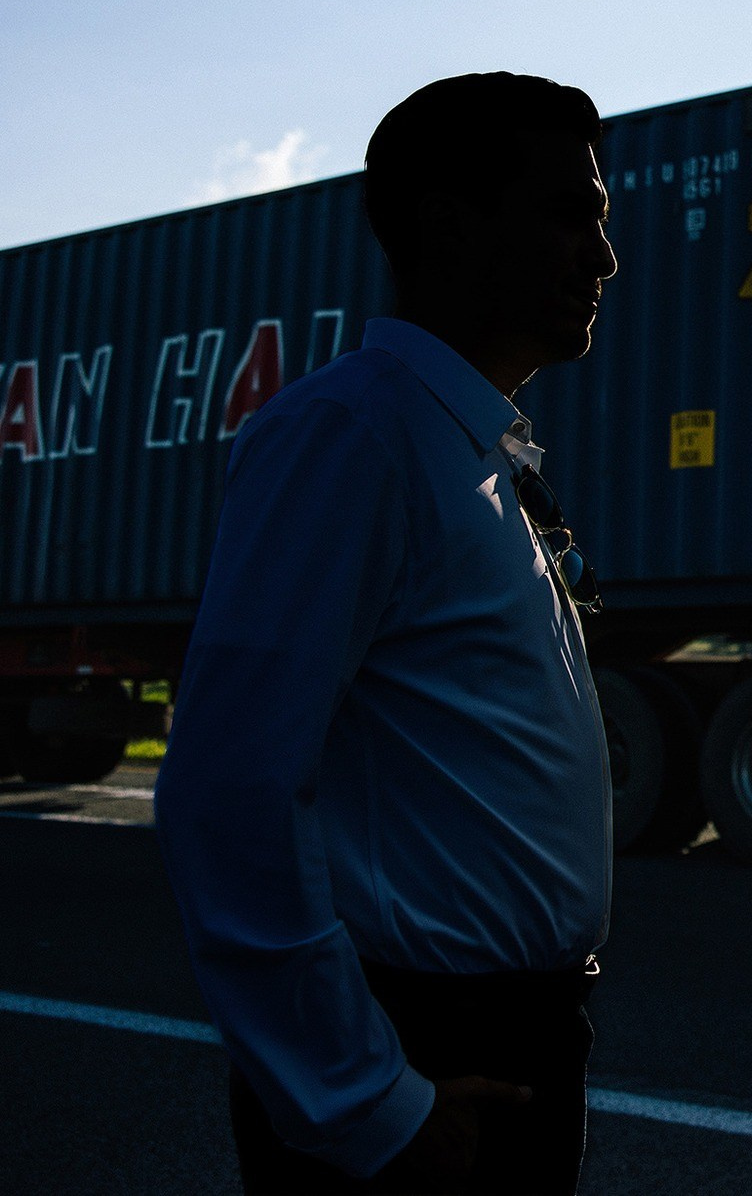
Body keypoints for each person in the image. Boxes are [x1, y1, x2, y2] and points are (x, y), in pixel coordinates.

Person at [155, 72, 619, 1194]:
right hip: (424, 1055)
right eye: (571, 215)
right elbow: (232, 793)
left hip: (514, 1040)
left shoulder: (469, 450)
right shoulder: (351, 437)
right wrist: (364, 1099)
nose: (602, 259)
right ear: (451, 230)